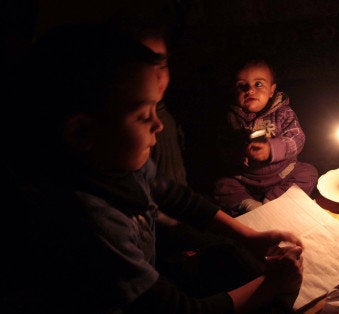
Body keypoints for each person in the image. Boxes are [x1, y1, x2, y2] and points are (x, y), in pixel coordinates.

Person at [2, 23, 303, 313]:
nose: (158, 124)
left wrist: (248, 236)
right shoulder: (92, 222)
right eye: (142, 114)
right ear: (82, 133)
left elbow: (176, 196)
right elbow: (180, 310)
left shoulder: (115, 163)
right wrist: (273, 284)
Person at [212, 58, 318, 216]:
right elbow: (222, 148)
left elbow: (297, 138)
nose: (250, 90)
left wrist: (272, 149)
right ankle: (251, 206)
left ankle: (272, 201)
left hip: (282, 175)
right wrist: (238, 154)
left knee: (309, 173)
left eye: (258, 84)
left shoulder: (282, 113)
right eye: (242, 86)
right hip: (245, 180)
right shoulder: (231, 119)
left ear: (271, 90)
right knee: (221, 185)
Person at [106, 6, 188, 186]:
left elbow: (174, 190)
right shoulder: (124, 131)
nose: (156, 77)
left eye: (162, 66)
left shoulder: (165, 116)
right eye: (146, 66)